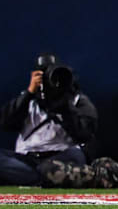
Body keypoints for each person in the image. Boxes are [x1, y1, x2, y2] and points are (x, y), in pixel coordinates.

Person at [0, 54, 97, 186]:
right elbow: (5, 123)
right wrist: (29, 93)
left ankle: (35, 178)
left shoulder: (77, 100)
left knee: (77, 155)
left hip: (61, 156)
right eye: (45, 76)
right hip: (28, 159)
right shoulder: (28, 100)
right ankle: (48, 178)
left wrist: (65, 107)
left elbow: (85, 134)